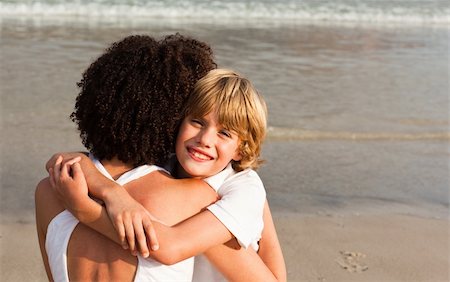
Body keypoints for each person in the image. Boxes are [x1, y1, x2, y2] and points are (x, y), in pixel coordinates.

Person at [37, 35, 285, 281]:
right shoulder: (175, 179)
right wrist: (111, 193)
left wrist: (84, 209)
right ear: (174, 120)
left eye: (224, 133)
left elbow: (170, 248)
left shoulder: (231, 191)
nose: (205, 139)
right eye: (196, 121)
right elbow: (66, 159)